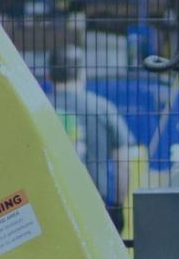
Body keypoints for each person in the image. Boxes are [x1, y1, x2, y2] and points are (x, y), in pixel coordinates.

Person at [45, 45, 137, 205]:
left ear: (49, 75)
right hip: (95, 202)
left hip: (50, 203)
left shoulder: (37, 110)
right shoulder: (103, 108)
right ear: (82, 74)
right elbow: (123, 163)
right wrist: (118, 204)